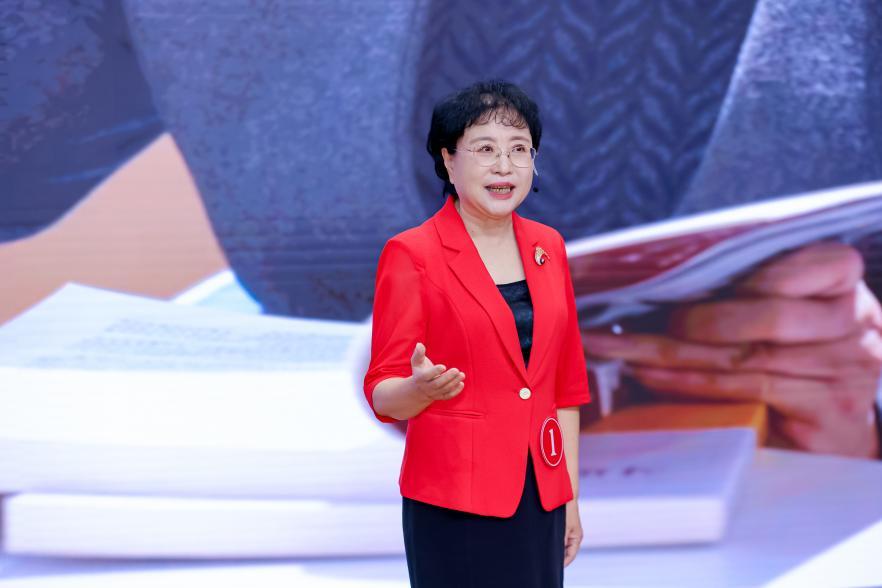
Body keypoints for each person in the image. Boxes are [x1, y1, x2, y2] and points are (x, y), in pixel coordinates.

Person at [363, 80, 592, 587]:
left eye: (519, 149)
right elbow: (382, 393)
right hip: (455, 499)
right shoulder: (413, 254)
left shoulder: (549, 247)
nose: (504, 166)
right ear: (448, 160)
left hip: (540, 492)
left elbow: (565, 389)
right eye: (485, 149)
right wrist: (419, 389)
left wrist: (569, 496)